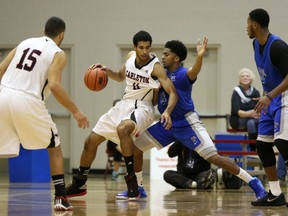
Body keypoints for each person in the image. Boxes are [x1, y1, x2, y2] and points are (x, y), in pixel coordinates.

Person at [116, 38, 267, 202]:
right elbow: (152, 99)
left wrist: (200, 57)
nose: (163, 57)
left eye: (166, 54)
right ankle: (138, 188)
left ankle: (254, 183)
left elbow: (194, 71)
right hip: (167, 124)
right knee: (136, 149)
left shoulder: (183, 73)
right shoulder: (160, 74)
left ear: (176, 58)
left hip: (187, 123)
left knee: (214, 158)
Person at [65, 30, 178, 200]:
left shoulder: (155, 67)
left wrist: (168, 111)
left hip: (143, 108)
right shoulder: (130, 57)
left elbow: (173, 92)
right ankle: (79, 183)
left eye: (148, 47)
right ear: (135, 47)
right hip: (123, 104)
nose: (145, 51)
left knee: (123, 128)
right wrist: (106, 70)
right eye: (141, 47)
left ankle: (132, 184)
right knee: (90, 141)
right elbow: (119, 76)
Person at [0, 17, 89, 211]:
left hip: (3, 95)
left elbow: (1, 69)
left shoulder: (24, 43)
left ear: (44, 30)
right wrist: (75, 110)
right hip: (28, 100)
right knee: (54, 146)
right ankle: (60, 197)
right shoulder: (58, 53)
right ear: (62, 35)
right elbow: (55, 84)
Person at [247, 8, 288, 206]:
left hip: (283, 97)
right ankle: (276, 193)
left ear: (255, 24)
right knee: (263, 145)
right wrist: (265, 97)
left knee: (283, 144)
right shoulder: (255, 44)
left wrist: (270, 95)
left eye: (248, 23)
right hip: (269, 99)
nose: (246, 27)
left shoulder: (278, 46)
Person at [229, 68, 260, 151]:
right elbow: (237, 111)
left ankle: (259, 146)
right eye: (243, 76)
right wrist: (250, 113)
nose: (245, 78)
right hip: (238, 120)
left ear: (251, 78)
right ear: (240, 79)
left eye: (247, 76)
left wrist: (254, 113)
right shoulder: (236, 91)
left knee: (251, 122)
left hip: (253, 120)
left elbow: (259, 108)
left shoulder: (255, 92)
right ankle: (254, 147)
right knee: (252, 121)